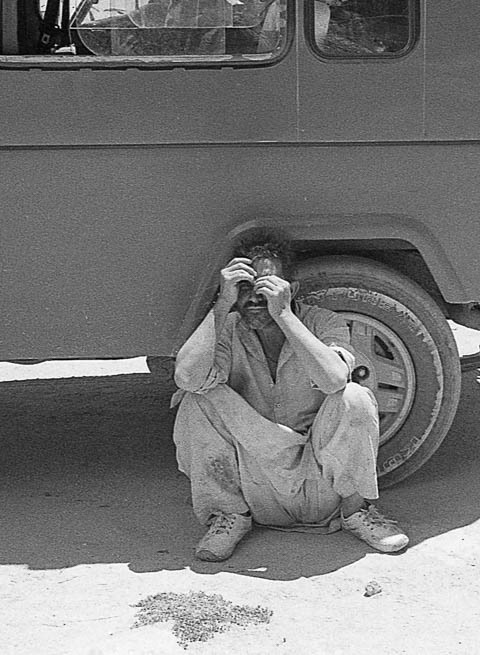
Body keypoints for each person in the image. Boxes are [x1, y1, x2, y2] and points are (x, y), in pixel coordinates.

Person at [170, 231, 409, 562]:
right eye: (245, 288)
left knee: (354, 397)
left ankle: (357, 512)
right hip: (254, 485)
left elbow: (334, 379)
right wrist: (222, 303)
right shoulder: (227, 327)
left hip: (320, 482)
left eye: (266, 286)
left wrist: (283, 315)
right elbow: (187, 377)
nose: (255, 297)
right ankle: (228, 516)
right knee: (196, 401)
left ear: (291, 290)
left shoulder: (323, 322)